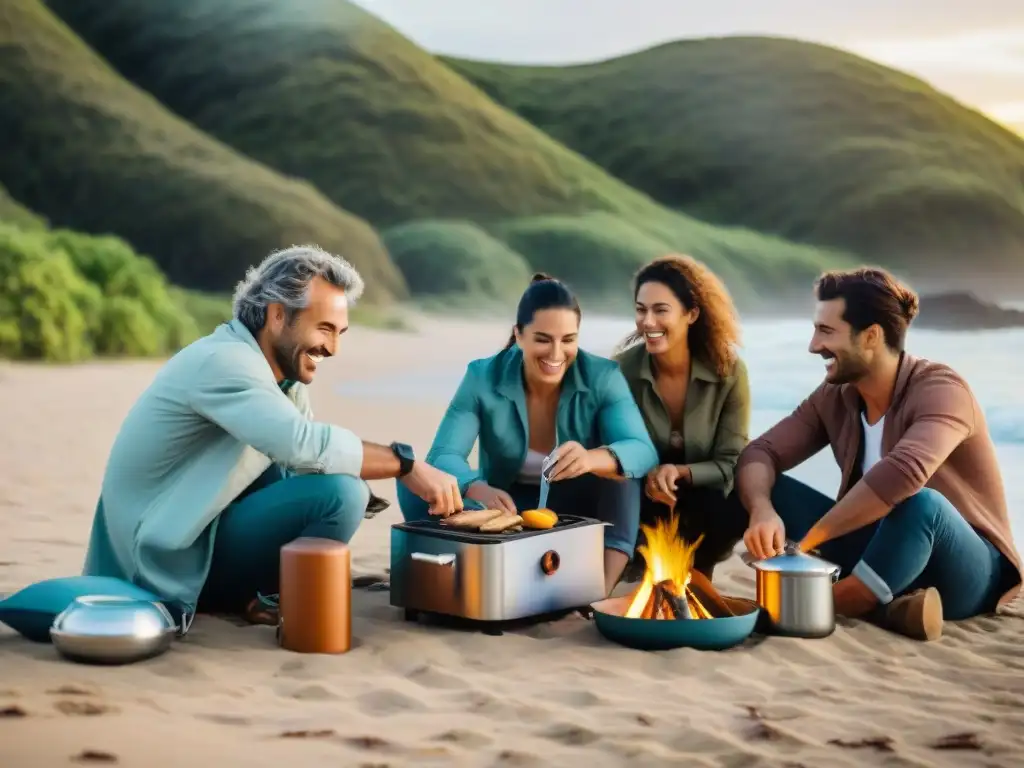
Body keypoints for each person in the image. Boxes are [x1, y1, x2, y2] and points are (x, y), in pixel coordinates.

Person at [82, 245, 464, 631]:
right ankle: (272, 595)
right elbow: (301, 444)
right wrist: (406, 465)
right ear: (278, 315)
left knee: (331, 483)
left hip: (196, 532)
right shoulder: (226, 362)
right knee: (340, 496)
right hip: (161, 562)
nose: (333, 348)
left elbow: (302, 462)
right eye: (324, 329)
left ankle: (270, 590)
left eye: (340, 332)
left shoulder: (279, 378)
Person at [737, 267, 1023, 641]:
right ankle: (894, 608)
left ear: (871, 336)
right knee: (758, 483)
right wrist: (762, 510)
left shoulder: (942, 389)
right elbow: (762, 451)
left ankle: (838, 600)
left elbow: (903, 475)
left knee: (921, 505)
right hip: (876, 556)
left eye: (826, 331)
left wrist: (808, 544)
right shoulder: (836, 396)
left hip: (963, 571)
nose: (813, 345)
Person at [397, 274, 659, 594]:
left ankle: (599, 589)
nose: (557, 353)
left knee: (622, 472)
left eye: (568, 339)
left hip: (579, 510)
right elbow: (443, 455)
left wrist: (591, 458)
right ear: (519, 335)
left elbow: (642, 450)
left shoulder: (603, 377)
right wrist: (476, 487)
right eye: (543, 339)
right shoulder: (482, 376)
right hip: (505, 506)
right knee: (412, 478)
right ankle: (464, 564)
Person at [613, 255, 751, 580]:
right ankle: (637, 562)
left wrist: (680, 471)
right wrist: (648, 476)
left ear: (691, 314)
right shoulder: (621, 371)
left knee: (753, 487)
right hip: (642, 500)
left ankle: (699, 568)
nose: (647, 321)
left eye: (661, 310)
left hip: (704, 504)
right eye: (640, 309)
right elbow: (610, 448)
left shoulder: (728, 372)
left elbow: (731, 462)